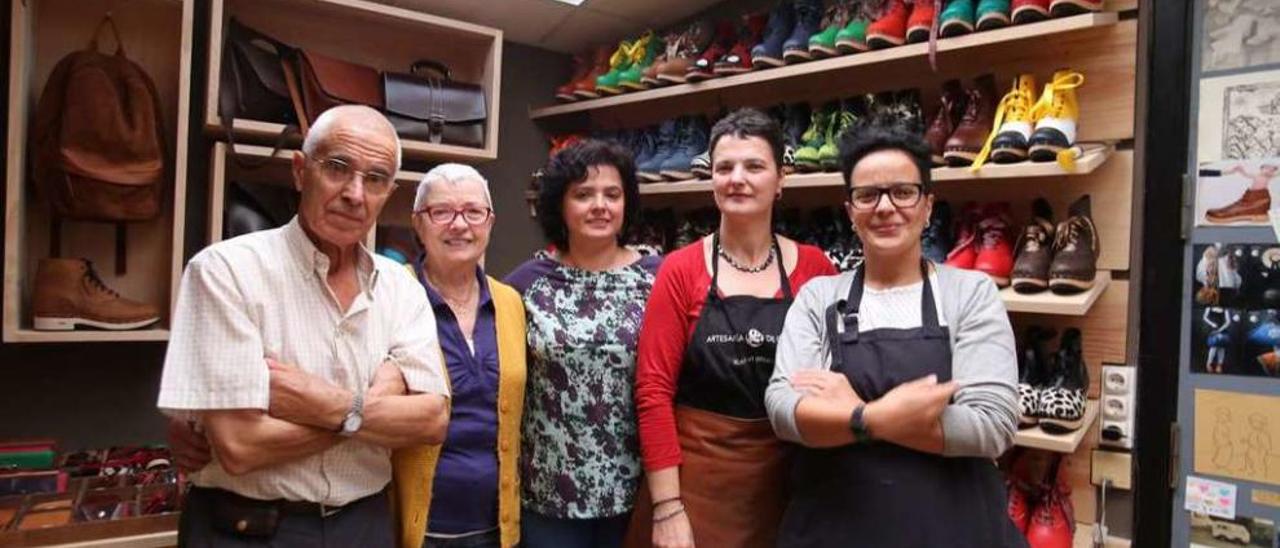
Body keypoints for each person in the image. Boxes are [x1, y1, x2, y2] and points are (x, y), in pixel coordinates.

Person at [156, 105, 451, 547]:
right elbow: (240, 447)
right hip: (248, 530)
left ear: (388, 192)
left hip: (365, 526)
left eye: (374, 179)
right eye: (337, 168)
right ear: (300, 171)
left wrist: (318, 402)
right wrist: (372, 407)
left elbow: (431, 420)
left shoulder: (400, 287)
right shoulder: (225, 271)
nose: (355, 193)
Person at [765, 119, 1024, 547]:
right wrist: (883, 416)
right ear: (850, 211)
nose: (885, 207)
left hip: (954, 532)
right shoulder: (819, 297)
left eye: (903, 192)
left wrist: (858, 417)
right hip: (836, 530)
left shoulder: (969, 293)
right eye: (867, 195)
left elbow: (991, 424)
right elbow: (784, 409)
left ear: (927, 207)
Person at [633, 108, 837, 548]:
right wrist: (668, 509)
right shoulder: (680, 270)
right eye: (724, 167)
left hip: (786, 486)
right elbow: (652, 392)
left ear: (781, 179)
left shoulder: (817, 270)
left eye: (754, 166)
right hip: (695, 486)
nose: (736, 178)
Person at [504, 139, 660, 548]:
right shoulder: (525, 284)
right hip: (548, 496)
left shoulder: (657, 279)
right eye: (583, 194)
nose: (600, 206)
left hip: (635, 493)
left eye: (613, 194)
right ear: (560, 205)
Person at [391, 164, 527, 548]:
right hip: (418, 531)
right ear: (418, 223)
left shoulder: (509, 302)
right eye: (441, 212)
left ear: (490, 221)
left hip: (496, 531)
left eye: (473, 211)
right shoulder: (391, 294)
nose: (459, 224)